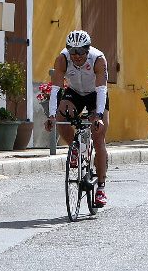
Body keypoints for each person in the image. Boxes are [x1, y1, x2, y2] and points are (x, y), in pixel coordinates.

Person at [44, 29, 110, 207]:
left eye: (81, 51)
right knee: (61, 117)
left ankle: (101, 187)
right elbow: (56, 89)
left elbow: (102, 90)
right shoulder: (62, 59)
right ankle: (76, 149)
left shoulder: (98, 59)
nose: (77, 55)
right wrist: (51, 115)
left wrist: (99, 116)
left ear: (87, 50)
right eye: (73, 51)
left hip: (95, 94)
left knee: (99, 138)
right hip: (75, 92)